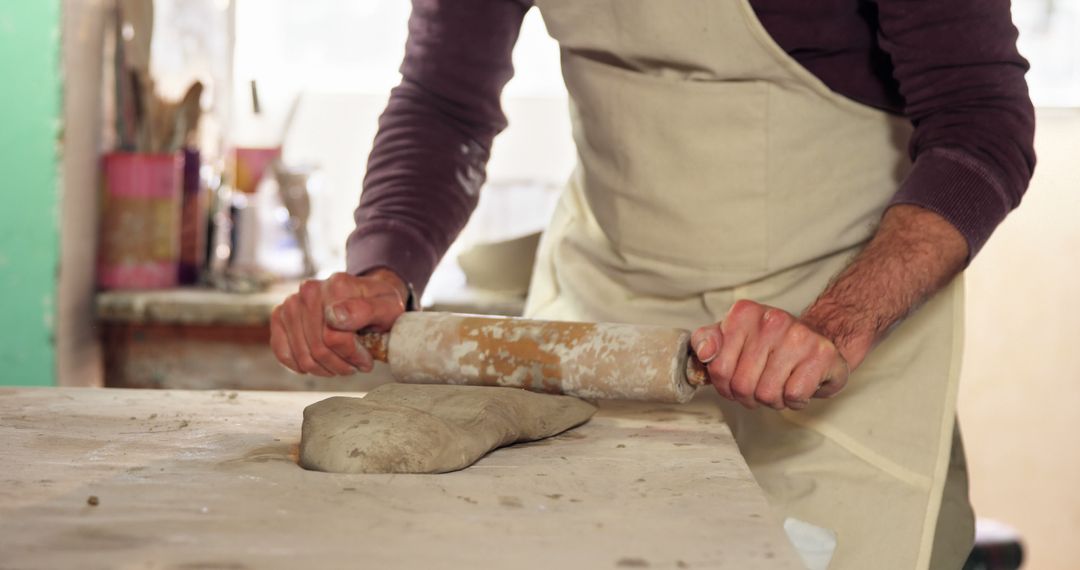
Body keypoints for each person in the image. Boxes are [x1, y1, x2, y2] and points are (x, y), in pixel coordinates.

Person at [270, 1, 1035, 567]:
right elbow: (444, 103)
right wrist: (382, 270)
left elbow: (981, 123)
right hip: (603, 329)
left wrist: (836, 321)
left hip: (834, 342)